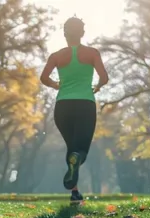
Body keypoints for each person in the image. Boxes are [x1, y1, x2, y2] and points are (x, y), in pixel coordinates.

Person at [40, 17, 108, 202]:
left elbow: (44, 77)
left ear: (64, 33)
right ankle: (76, 165)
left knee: (71, 148)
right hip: (85, 104)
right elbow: (104, 77)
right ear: (83, 33)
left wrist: (56, 86)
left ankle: (75, 193)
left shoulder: (56, 56)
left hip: (63, 107)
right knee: (81, 149)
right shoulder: (92, 53)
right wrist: (98, 86)